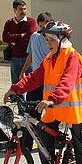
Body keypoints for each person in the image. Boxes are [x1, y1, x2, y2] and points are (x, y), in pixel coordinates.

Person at [4, 21, 82, 164]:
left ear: (61, 40)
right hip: (54, 107)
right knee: (42, 131)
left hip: (73, 109)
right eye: (46, 39)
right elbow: (34, 77)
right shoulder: (50, 58)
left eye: (50, 39)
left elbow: (67, 81)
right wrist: (15, 89)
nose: (47, 43)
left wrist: (51, 99)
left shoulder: (72, 57)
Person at [19, 12, 54, 152]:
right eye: (40, 27)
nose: (42, 31)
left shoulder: (53, 41)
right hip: (36, 80)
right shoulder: (34, 37)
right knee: (31, 114)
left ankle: (50, 145)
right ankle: (25, 145)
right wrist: (23, 71)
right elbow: (31, 55)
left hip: (49, 81)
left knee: (50, 116)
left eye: (45, 27)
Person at [2, 0, 37, 86]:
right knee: (16, 81)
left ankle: (30, 99)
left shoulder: (31, 22)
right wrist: (21, 35)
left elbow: (30, 38)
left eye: (24, 9)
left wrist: (14, 41)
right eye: (20, 9)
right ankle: (17, 98)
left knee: (31, 80)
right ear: (14, 10)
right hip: (15, 57)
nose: (23, 11)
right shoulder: (9, 23)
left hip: (28, 56)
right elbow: (5, 38)